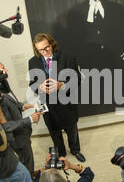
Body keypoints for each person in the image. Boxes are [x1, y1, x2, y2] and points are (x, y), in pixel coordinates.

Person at [28, 32, 85, 162]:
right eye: (40, 50)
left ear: (51, 44)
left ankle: (75, 150)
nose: (45, 51)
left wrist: (62, 85)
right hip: (48, 105)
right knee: (54, 133)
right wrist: (40, 87)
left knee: (72, 130)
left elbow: (77, 79)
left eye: (46, 47)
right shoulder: (32, 62)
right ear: (36, 49)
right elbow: (32, 84)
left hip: (67, 103)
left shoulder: (67, 57)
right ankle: (61, 154)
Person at [0, 59, 42, 176]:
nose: (6, 70)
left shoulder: (1, 88)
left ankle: (29, 172)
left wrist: (22, 106)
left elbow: (11, 102)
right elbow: (7, 126)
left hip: (23, 134)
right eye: (3, 69)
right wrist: (30, 119)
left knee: (27, 162)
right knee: (27, 161)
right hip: (18, 140)